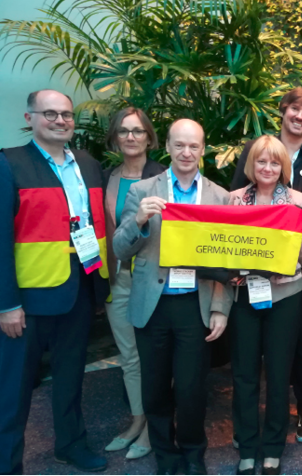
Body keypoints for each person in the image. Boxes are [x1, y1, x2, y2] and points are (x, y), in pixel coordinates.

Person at [113, 119, 232, 476]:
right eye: (179, 145)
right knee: (155, 389)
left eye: (193, 146)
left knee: (192, 390)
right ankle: (165, 457)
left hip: (194, 306)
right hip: (153, 306)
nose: (186, 152)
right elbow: (120, 249)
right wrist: (138, 220)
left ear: (203, 149)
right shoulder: (143, 190)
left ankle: (194, 455)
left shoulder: (219, 196)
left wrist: (219, 309)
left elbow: (225, 261)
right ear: (166, 146)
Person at [0, 89, 110, 474]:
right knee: (13, 390)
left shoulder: (89, 164)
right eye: (50, 114)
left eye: (66, 114)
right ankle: (8, 463)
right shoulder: (8, 164)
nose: (60, 121)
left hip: (77, 290)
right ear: (30, 118)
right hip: (27, 298)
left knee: (70, 378)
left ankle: (71, 445)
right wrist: (6, 304)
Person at [230, 88, 302, 443]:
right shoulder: (258, 148)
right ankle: (254, 418)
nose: (300, 116)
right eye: (295, 109)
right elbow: (233, 211)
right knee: (258, 352)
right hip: (251, 276)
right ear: (283, 111)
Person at [229, 135, 302, 476]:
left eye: (275, 162)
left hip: (286, 295)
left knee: (279, 374)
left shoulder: (298, 201)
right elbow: (223, 249)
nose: (268, 168)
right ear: (252, 165)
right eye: (261, 161)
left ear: (283, 167)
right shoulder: (232, 200)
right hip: (244, 295)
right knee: (245, 374)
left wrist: (297, 243)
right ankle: (247, 446)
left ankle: (273, 447)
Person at [102, 107, 166, 460]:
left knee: (153, 356)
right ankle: (137, 420)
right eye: (124, 131)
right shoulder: (107, 177)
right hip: (118, 278)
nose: (131, 137)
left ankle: (153, 427)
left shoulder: (163, 176)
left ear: (149, 137)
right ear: (115, 137)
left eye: (138, 131)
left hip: (152, 279)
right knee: (128, 356)